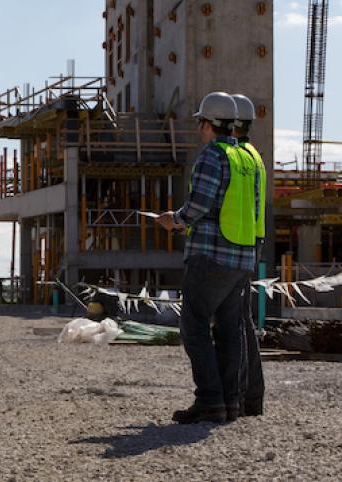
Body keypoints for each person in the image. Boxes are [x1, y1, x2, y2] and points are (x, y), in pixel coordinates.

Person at [157, 92, 259, 424]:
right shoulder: (244, 157)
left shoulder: (213, 156)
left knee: (194, 324)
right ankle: (230, 402)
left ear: (208, 124)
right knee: (231, 328)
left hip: (211, 254)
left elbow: (199, 206)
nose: (199, 128)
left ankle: (210, 399)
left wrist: (174, 219)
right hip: (242, 255)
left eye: (200, 121)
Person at [230, 93, 266, 417]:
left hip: (238, 243)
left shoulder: (238, 156)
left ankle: (243, 397)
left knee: (236, 320)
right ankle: (251, 398)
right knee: (244, 319)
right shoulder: (254, 155)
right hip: (250, 241)